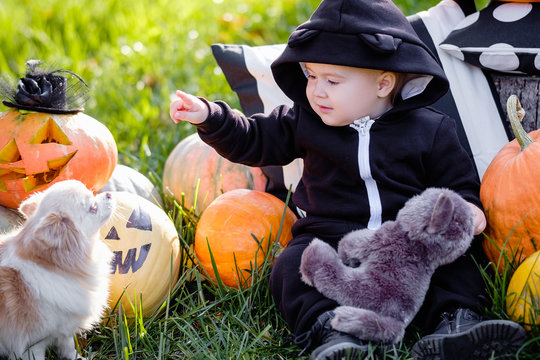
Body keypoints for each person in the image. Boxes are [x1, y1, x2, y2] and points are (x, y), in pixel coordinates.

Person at [170, 0, 528, 359]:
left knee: (456, 262)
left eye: (332, 80)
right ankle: (331, 330)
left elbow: (457, 183)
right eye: (311, 75)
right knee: (292, 268)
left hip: (407, 244)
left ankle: (456, 323)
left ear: (383, 83)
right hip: (332, 239)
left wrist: (468, 207)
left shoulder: (430, 130)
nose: (317, 90)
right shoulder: (303, 121)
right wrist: (209, 117)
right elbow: (253, 138)